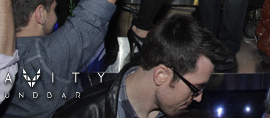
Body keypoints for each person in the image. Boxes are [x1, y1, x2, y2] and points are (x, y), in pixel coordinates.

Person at [53, 14, 229, 118]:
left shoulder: (189, 110)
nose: (198, 98)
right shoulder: (83, 113)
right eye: (196, 88)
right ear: (161, 75)